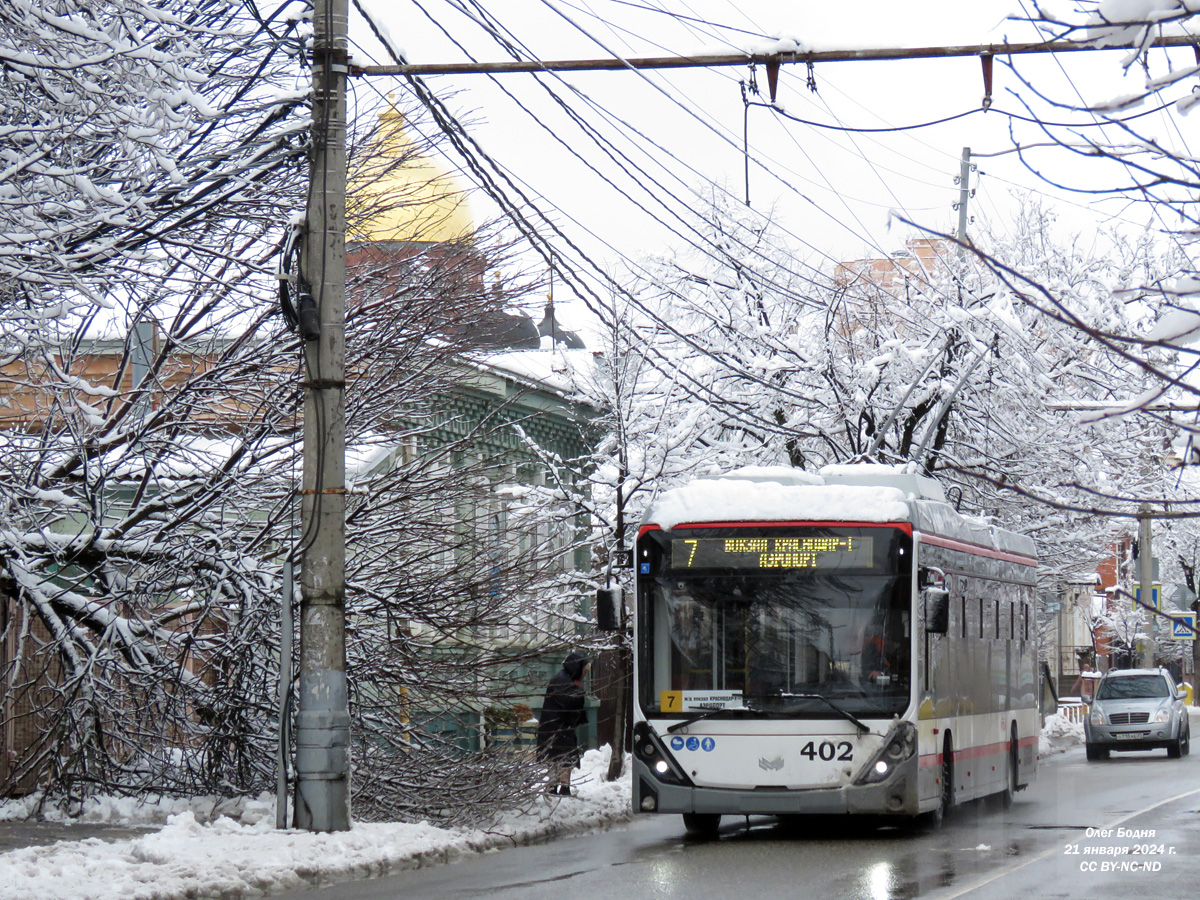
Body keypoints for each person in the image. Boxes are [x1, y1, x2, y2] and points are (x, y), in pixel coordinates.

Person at [535, 651, 591, 796]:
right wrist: (580, 695)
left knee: (558, 757)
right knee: (563, 757)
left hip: (556, 726)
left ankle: (556, 786)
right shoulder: (564, 681)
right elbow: (570, 702)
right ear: (576, 668)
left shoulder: (564, 679)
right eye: (584, 671)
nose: (584, 675)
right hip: (557, 727)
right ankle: (561, 787)